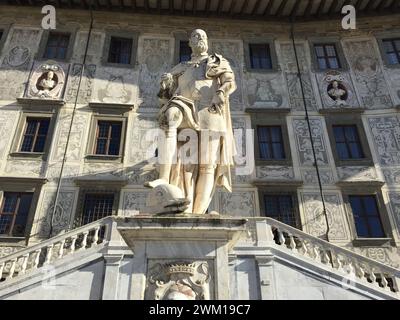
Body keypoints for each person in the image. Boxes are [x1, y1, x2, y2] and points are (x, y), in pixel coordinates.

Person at [145, 29, 236, 214]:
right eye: (196, 35)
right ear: (189, 42)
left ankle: (198, 212)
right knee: (170, 117)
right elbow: (166, 95)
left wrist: (220, 92)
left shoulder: (217, 61)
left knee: (207, 165)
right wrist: (165, 85)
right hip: (185, 104)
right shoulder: (181, 67)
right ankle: (163, 176)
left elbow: (229, 80)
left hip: (209, 110)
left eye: (203, 36)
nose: (200, 38)